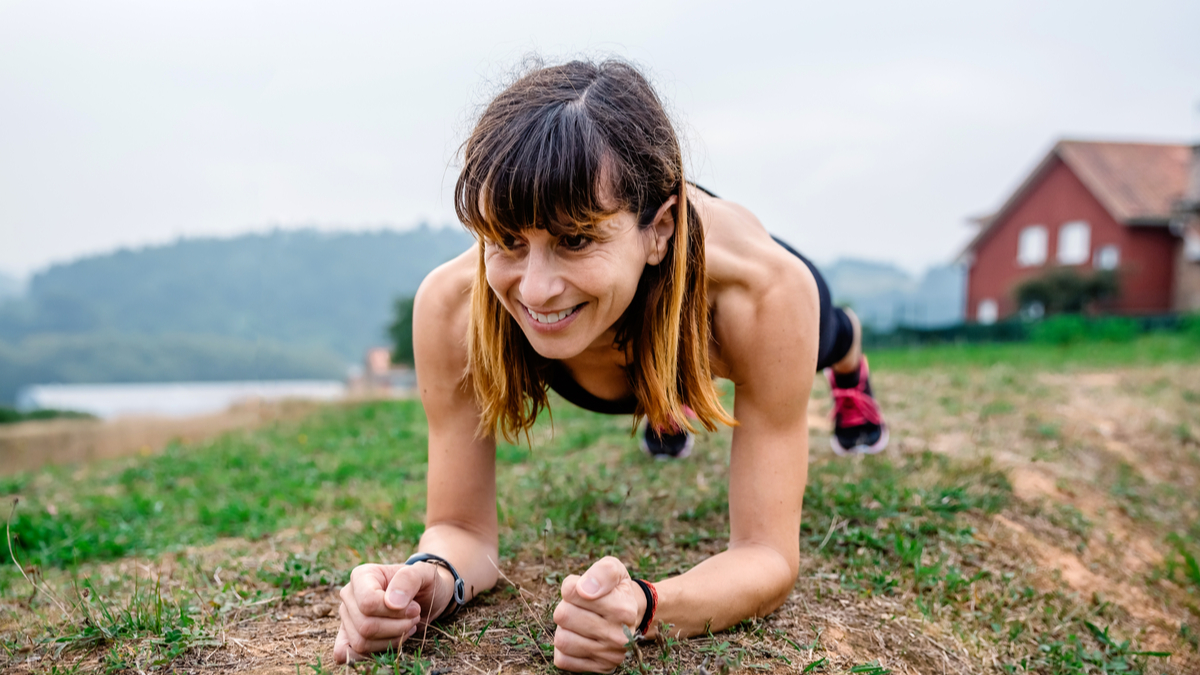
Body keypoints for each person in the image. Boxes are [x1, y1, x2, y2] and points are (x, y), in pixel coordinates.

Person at [333, 59, 887, 672]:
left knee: (826, 335)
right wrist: (423, 581)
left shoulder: (761, 293)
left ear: (660, 230)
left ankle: (839, 362)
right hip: (632, 331)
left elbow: (767, 556)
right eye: (507, 240)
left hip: (700, 306)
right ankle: (661, 394)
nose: (536, 290)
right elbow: (461, 530)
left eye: (576, 240)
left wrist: (649, 607)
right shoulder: (452, 308)